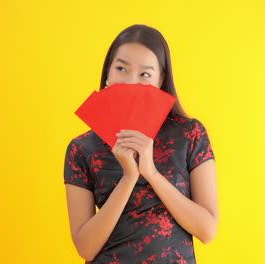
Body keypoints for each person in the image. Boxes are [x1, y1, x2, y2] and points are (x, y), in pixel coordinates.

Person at [63, 24, 218, 264]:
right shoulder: (82, 148)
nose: (131, 81)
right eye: (121, 69)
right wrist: (128, 178)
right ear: (107, 74)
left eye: (145, 74)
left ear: (160, 80)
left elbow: (207, 231)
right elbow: (85, 248)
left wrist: (151, 173)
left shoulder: (190, 134)